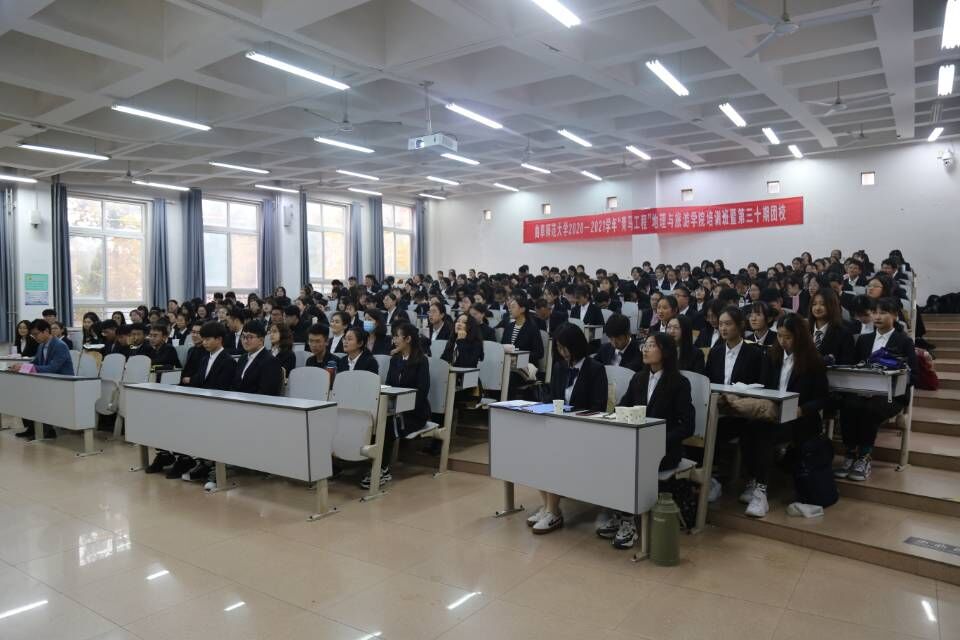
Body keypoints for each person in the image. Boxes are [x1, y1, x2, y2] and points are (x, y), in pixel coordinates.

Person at [601, 332, 696, 547]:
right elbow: (622, 408)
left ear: (666, 352)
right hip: (635, 445)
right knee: (609, 457)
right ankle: (619, 513)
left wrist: (656, 439)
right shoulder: (639, 378)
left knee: (629, 463)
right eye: (645, 345)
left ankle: (629, 522)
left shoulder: (679, 382)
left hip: (664, 450)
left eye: (652, 345)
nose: (645, 349)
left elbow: (687, 426)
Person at [738, 315, 829, 517]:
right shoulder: (772, 356)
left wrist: (801, 409)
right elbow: (765, 386)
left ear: (799, 337)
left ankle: (761, 490)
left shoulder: (814, 361)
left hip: (800, 419)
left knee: (765, 435)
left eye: (788, 337)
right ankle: (753, 480)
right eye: (779, 336)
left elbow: (822, 398)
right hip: (773, 413)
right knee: (748, 429)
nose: (782, 341)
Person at [525, 324, 608, 535]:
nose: (563, 352)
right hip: (560, 427)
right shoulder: (560, 367)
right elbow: (553, 397)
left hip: (585, 430)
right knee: (535, 450)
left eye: (565, 347)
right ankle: (547, 506)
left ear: (576, 345)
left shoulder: (595, 369)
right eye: (559, 348)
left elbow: (598, 406)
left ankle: (553, 512)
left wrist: (572, 418)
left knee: (553, 453)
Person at [836, 298, 917, 482]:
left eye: (883, 313)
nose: (878, 317)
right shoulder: (864, 340)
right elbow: (854, 366)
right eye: (874, 312)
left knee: (870, 408)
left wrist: (893, 380)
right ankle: (850, 454)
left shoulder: (903, 341)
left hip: (891, 395)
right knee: (848, 405)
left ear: (895, 315)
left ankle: (864, 457)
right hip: (862, 390)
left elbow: (913, 375)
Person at [362, 323, 433, 489]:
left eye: (397, 336)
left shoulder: (421, 360)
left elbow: (422, 391)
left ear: (408, 339)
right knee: (375, 420)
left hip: (414, 413)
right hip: (394, 410)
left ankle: (382, 468)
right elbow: (389, 385)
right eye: (393, 336)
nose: (393, 340)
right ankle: (373, 464)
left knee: (386, 426)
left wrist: (401, 407)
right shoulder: (395, 359)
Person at [12, 320, 74, 440]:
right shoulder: (41, 345)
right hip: (48, 381)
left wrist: (28, 368)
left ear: (46, 331)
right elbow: (34, 362)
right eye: (33, 335)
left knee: (36, 394)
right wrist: (20, 366)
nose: (35, 337)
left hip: (63, 383)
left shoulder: (60, 346)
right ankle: (32, 428)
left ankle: (46, 430)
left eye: (36, 334)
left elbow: (52, 368)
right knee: (25, 393)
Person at [232, 321, 284, 396]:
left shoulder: (271, 361)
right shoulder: (242, 358)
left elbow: (267, 392)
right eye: (243, 337)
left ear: (261, 340)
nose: (245, 341)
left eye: (250, 337)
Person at [808, 289, 855, 365]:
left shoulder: (844, 334)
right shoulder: (803, 330)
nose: (817, 308)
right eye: (814, 304)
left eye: (823, 304)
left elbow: (847, 365)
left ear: (832, 306)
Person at [178, 320, 206, 385]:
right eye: (193, 332)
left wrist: (190, 379)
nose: (195, 335)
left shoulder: (208, 351)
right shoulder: (191, 350)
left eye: (198, 333)